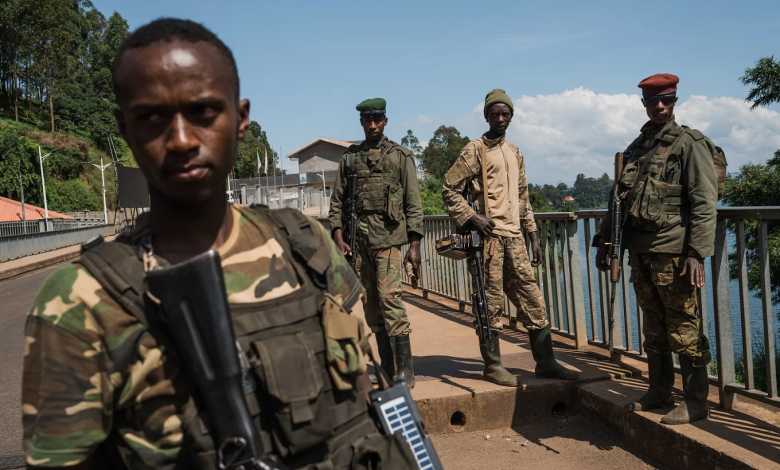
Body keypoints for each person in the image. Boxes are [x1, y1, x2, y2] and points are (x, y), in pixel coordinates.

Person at [21, 19, 416, 469]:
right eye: (151, 117)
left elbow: (368, 392)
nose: (182, 140)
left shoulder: (304, 244)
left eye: (204, 112)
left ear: (240, 118)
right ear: (125, 128)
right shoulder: (79, 305)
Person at [594, 73, 718, 425]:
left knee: (684, 326)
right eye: (654, 101)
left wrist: (696, 252)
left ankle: (696, 401)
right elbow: (619, 198)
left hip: (675, 254)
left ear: (675, 101)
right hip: (640, 251)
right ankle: (659, 391)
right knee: (654, 326)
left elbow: (704, 202)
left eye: (667, 100)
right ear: (644, 103)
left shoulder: (689, 143)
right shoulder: (638, 146)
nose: (660, 107)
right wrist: (605, 240)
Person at [442, 89, 580, 387]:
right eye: (495, 114)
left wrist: (533, 237)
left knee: (533, 299)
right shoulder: (474, 150)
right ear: (487, 116)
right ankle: (493, 366)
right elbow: (449, 189)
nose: (500, 119)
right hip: (488, 240)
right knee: (489, 303)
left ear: (511, 117)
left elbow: (523, 198)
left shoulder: (515, 152)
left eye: (505, 114)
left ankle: (546, 363)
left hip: (515, 238)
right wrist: (471, 216)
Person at [328, 99, 424, 388]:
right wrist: (338, 237)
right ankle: (387, 365)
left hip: (389, 240)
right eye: (367, 120)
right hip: (360, 243)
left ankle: (406, 372)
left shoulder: (400, 156)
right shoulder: (349, 159)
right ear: (361, 122)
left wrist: (415, 245)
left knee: (390, 299)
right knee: (371, 306)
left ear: (385, 121)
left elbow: (413, 204)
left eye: (377, 120)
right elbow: (336, 205)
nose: (372, 125)